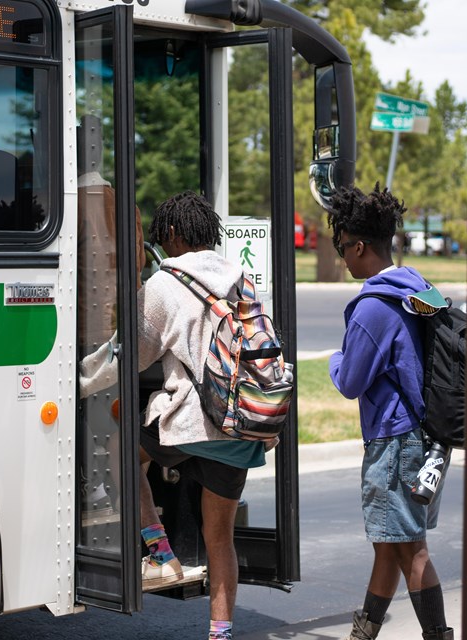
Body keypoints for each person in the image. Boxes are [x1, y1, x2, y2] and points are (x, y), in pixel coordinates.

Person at [136, 190, 267, 640]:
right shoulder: (241, 280)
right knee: (220, 539)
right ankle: (220, 632)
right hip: (240, 427)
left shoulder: (162, 285)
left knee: (124, 459)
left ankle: (159, 554)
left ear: (171, 234)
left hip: (188, 423)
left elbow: (133, 356)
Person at [326, 183, 454, 640]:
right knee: (390, 545)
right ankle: (364, 634)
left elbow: (350, 381)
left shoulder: (372, 309)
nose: (342, 257)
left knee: (410, 550)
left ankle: (438, 637)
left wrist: (333, 358)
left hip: (395, 441)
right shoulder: (420, 289)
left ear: (359, 245)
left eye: (342, 247)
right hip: (426, 439)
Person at [77, 114, 145, 516]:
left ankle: (91, 484)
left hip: (81, 329)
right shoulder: (125, 205)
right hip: (120, 330)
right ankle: (116, 490)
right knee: (112, 415)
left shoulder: (63, 206)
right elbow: (135, 266)